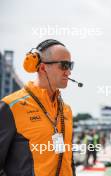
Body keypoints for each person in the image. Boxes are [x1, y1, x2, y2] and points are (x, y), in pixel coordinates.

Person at [0, 39, 76, 176]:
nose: (68, 72)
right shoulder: (11, 107)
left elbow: (68, 160)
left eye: (71, 65)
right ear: (42, 68)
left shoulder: (66, 110)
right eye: (64, 65)